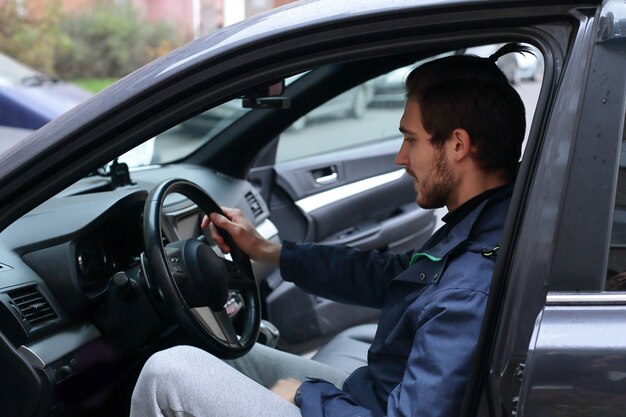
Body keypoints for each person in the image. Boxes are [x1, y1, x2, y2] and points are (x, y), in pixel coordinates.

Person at [130, 43, 528, 417]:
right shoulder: (483, 224)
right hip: (375, 394)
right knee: (232, 355)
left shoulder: (468, 285)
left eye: (411, 140)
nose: (401, 157)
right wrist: (269, 251)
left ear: (457, 145)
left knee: (169, 372)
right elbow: (390, 274)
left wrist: (304, 394)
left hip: (375, 406)